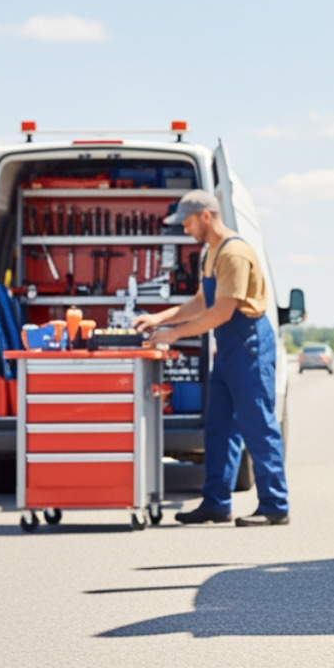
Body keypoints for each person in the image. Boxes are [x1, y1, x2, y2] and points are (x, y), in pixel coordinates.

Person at [133, 189, 289, 527]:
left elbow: (221, 311)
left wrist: (174, 334)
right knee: (219, 428)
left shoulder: (234, 253)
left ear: (206, 216)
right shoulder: (211, 251)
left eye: (186, 222)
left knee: (258, 425)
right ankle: (216, 504)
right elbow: (202, 302)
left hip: (249, 346)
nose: (184, 229)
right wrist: (160, 318)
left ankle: (275, 505)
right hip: (230, 349)